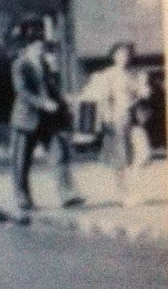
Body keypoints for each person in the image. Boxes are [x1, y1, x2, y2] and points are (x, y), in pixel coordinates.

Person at [8, 19, 82, 217]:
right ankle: (22, 197)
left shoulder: (44, 64)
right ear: (29, 47)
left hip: (47, 121)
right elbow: (22, 91)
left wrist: (63, 100)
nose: (41, 50)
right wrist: (43, 103)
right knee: (22, 161)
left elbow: (51, 89)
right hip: (26, 120)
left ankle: (67, 194)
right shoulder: (20, 65)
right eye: (37, 46)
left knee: (59, 154)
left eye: (42, 46)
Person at [92, 41, 148, 206]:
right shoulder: (108, 75)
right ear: (114, 56)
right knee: (121, 158)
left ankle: (134, 189)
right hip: (117, 118)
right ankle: (124, 194)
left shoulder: (135, 74)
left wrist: (144, 90)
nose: (124, 57)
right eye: (120, 54)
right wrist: (107, 118)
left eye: (126, 54)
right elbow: (103, 98)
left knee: (144, 153)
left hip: (135, 118)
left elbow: (142, 93)